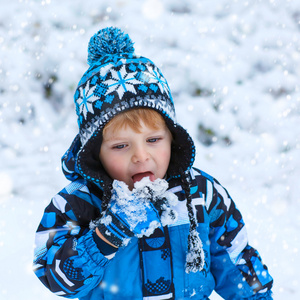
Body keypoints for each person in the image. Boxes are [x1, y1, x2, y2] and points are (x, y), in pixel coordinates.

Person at [33, 27, 273, 300]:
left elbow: (237, 263)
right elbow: (54, 277)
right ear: (95, 152)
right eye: (121, 146)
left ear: (172, 138)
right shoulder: (78, 204)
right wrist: (106, 235)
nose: (140, 156)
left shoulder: (201, 194)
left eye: (154, 140)